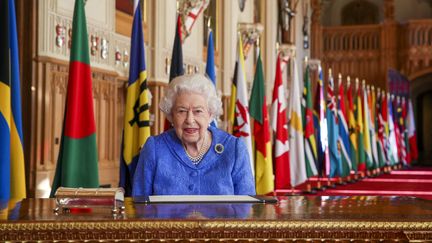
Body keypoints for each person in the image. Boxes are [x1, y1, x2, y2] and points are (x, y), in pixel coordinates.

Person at [132, 74, 256, 196]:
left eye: (198, 111)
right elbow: (139, 207)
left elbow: (247, 209)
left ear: (210, 114)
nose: (190, 120)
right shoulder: (154, 149)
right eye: (182, 111)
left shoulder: (234, 149)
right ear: (171, 115)